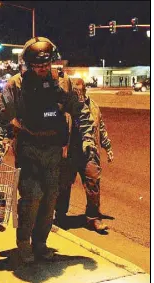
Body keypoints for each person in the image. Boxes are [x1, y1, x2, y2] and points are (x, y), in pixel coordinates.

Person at [0, 37, 80, 263]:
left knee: (50, 197)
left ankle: (41, 243)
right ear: (28, 65)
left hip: (54, 149)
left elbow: (81, 111)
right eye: (37, 66)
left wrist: (86, 140)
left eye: (45, 65)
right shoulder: (16, 85)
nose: (42, 69)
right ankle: (23, 243)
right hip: (29, 147)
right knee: (32, 196)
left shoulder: (63, 83)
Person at [55, 78, 113, 232]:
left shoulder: (93, 106)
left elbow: (100, 127)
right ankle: (60, 215)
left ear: (85, 90)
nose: (78, 93)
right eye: (75, 91)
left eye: (80, 90)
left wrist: (107, 146)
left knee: (93, 182)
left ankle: (93, 218)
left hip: (88, 153)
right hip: (69, 153)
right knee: (64, 185)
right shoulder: (66, 106)